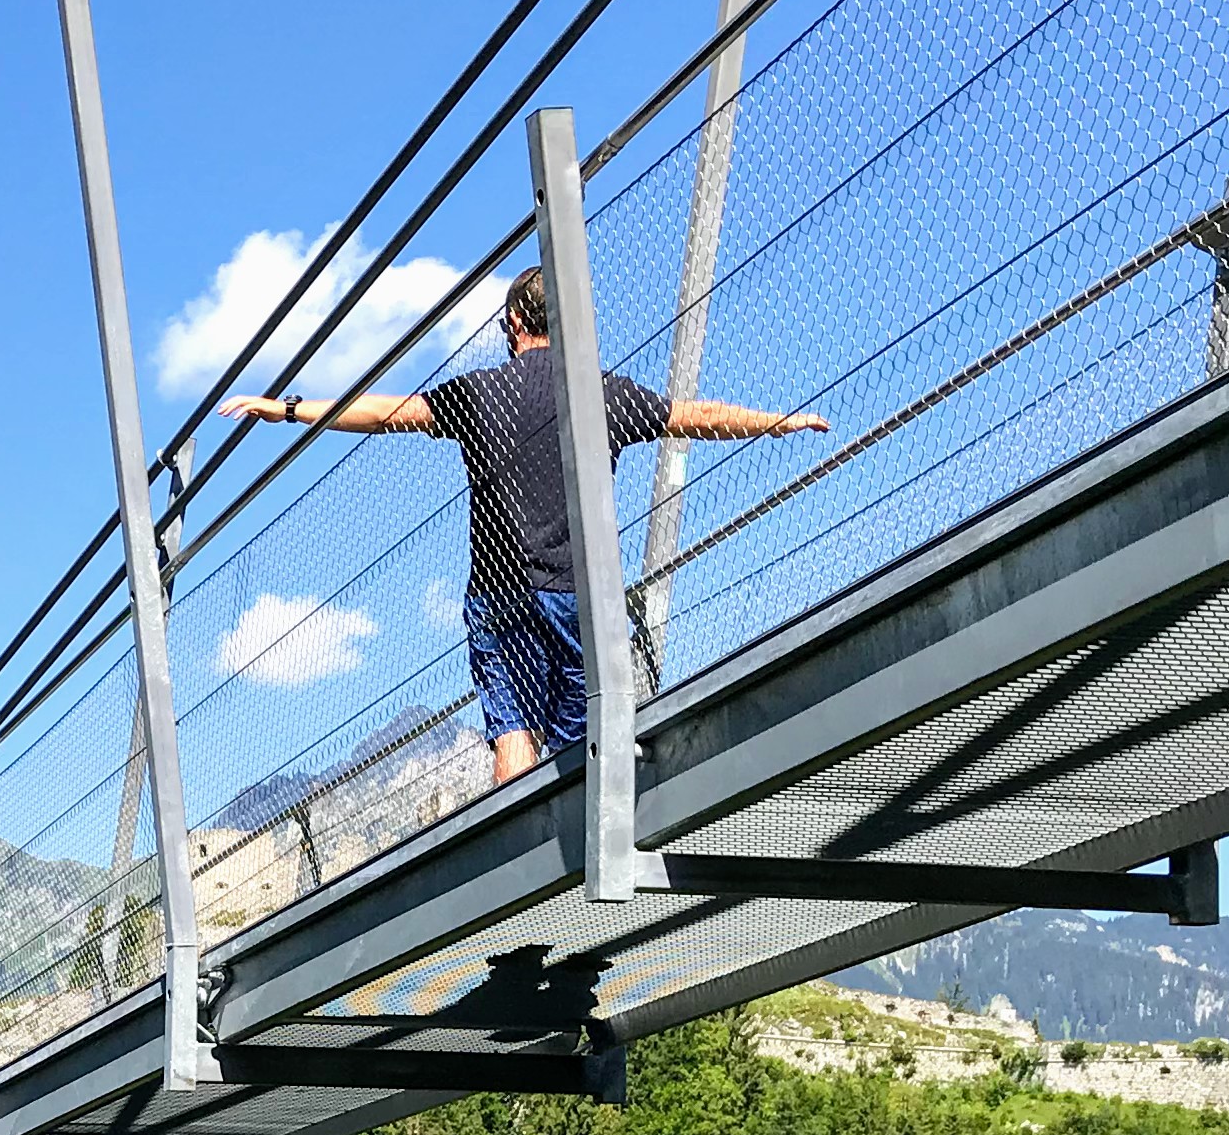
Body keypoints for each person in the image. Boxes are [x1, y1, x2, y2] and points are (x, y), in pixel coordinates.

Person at [227, 267, 825, 785]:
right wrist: (778, 421)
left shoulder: (479, 393)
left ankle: (517, 857)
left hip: (500, 591)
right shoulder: (602, 395)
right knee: (579, 743)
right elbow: (695, 417)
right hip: (578, 596)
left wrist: (286, 409)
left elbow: (384, 413)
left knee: (514, 728)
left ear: (514, 321)